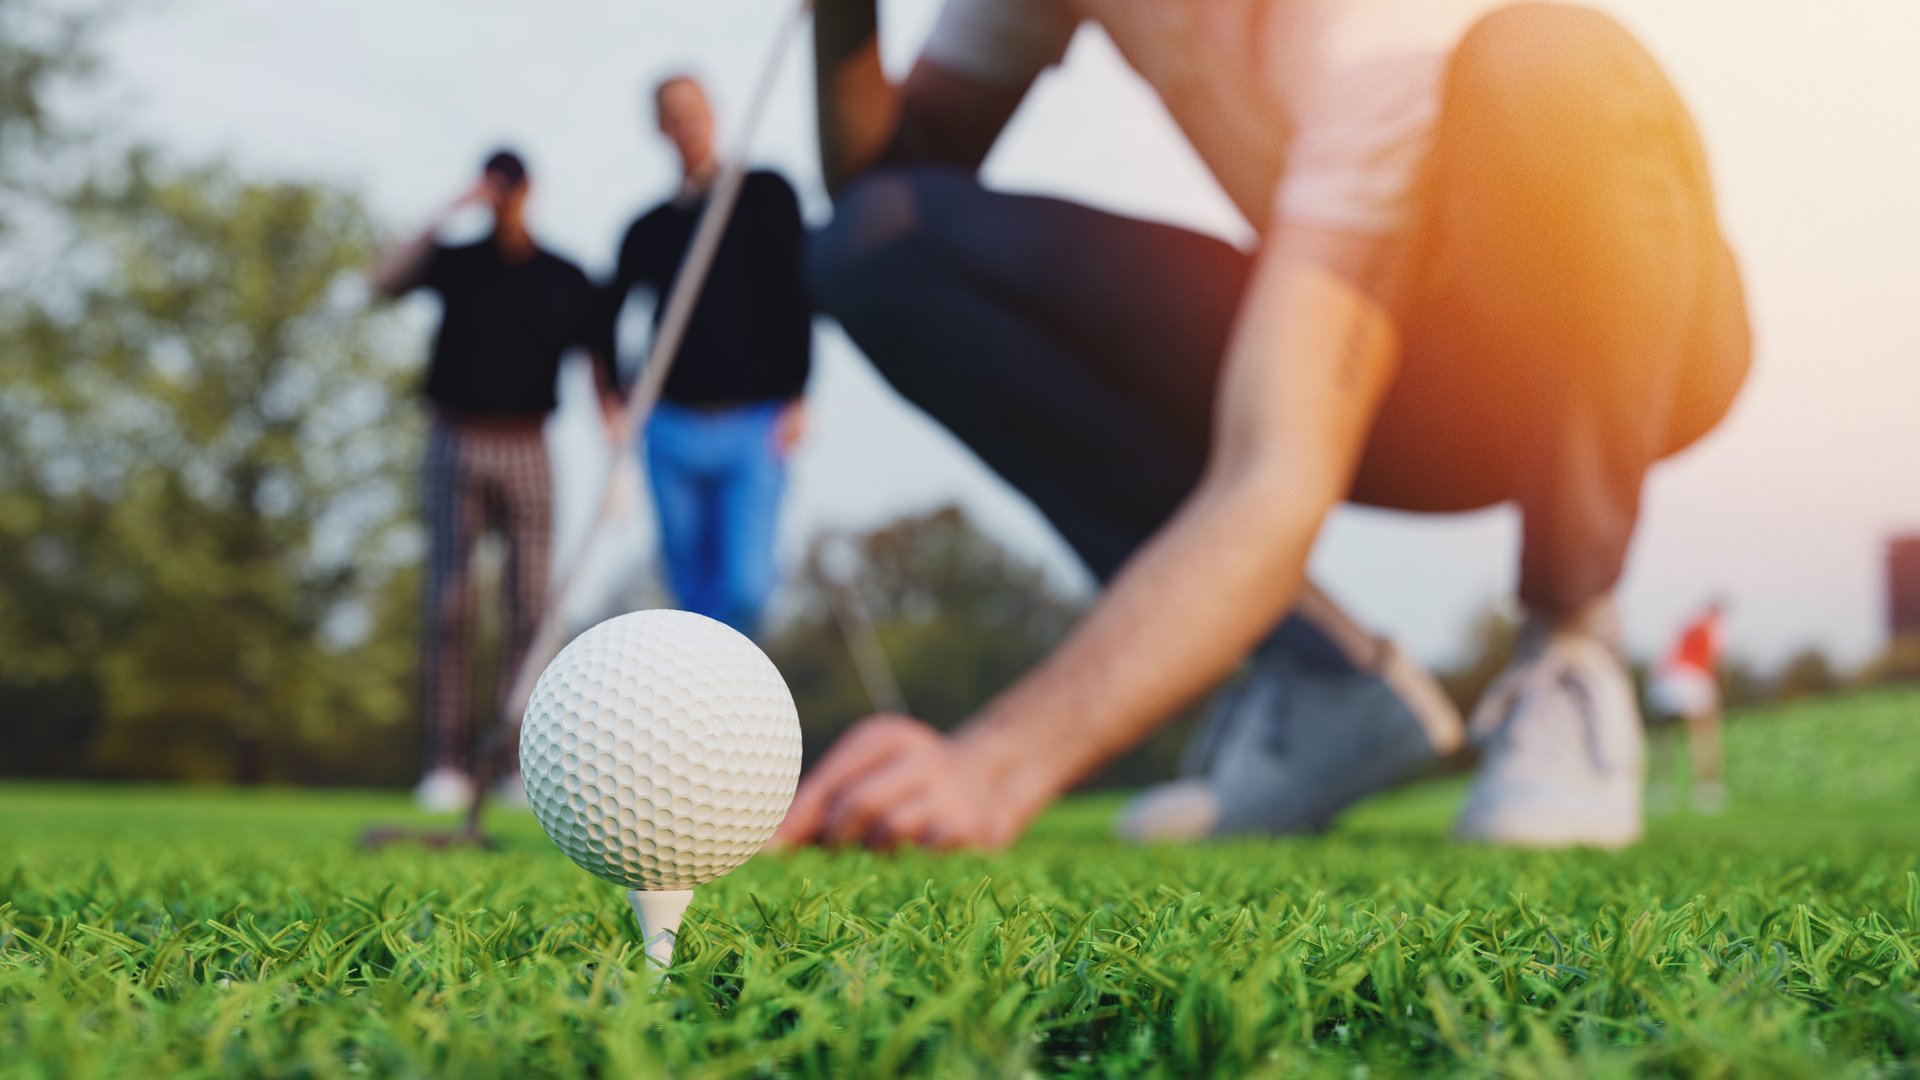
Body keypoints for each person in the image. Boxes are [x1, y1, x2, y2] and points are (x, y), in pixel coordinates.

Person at [775, 0, 1750, 851]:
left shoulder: (1372, 32)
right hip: (1359, 340)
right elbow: (890, 173)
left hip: (1604, 338)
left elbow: (1274, 477)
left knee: (1552, 63)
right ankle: (1324, 683)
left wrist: (999, 762)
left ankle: (1569, 648)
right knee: (879, 244)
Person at [370, 150, 620, 812]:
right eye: (493, 182)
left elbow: (602, 366)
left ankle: (516, 763)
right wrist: (452, 206)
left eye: (510, 183)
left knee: (530, 611)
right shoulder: (456, 261)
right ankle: (445, 763)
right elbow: (382, 281)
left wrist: (618, 450)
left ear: (532, 189)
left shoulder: (567, 277)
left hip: (529, 444)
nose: (503, 194)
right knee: (450, 605)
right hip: (455, 439)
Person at [605, 74, 812, 637]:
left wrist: (799, 393)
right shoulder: (647, 229)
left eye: (694, 111)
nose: (687, 125)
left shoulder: (766, 195)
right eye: (673, 115)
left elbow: (799, 293)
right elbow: (605, 315)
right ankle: (697, 717)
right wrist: (614, 398)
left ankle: (739, 705)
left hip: (754, 420)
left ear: (714, 114)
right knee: (689, 590)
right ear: (660, 129)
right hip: (669, 425)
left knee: (746, 586)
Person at [1648, 598, 1728, 814]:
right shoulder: (1712, 627)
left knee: (1663, 739)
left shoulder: (1687, 624)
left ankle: (1660, 790)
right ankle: (1706, 791)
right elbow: (1712, 659)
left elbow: (1666, 655)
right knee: (1705, 736)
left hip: (1667, 679)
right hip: (1693, 679)